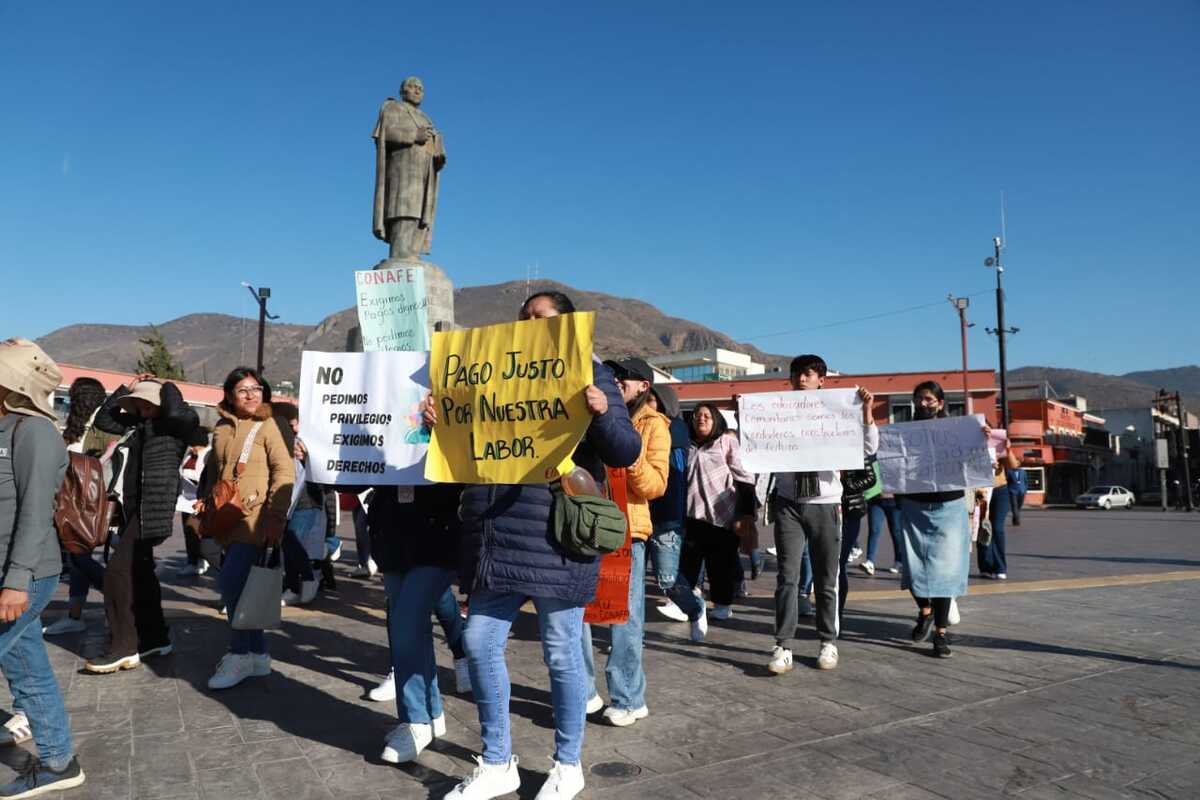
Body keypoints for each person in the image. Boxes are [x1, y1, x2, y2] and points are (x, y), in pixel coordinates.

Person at [436, 291, 641, 800]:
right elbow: (460, 452)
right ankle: (497, 760)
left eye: (542, 317)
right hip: (497, 533)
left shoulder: (595, 374)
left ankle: (568, 764)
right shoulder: (490, 371)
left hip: (558, 534)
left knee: (562, 651)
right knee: (480, 642)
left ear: (569, 326)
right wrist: (436, 422)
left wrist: (600, 412)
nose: (530, 322)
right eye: (525, 316)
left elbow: (625, 449)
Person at [0, 338, 86, 795]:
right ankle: (58, 762)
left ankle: (57, 761)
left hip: (23, 576)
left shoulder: (33, 432)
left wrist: (15, 583)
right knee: (27, 668)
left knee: (25, 666)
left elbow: (34, 512)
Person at [767, 355, 876, 674]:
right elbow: (760, 447)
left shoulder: (838, 410)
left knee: (826, 579)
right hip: (789, 502)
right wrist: (750, 418)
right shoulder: (779, 412)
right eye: (797, 375)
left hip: (825, 502)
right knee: (787, 577)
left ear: (821, 381)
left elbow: (867, 449)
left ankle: (828, 641)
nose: (801, 379)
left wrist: (866, 411)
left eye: (809, 374)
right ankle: (783, 644)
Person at [85, 376, 200, 674]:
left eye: (148, 402)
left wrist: (164, 386)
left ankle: (124, 646)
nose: (142, 407)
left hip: (153, 511)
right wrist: (126, 389)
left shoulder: (176, 426)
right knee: (141, 573)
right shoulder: (136, 426)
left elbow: (178, 411)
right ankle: (155, 638)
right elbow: (103, 420)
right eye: (138, 404)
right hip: (131, 509)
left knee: (117, 572)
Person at [581, 358, 670, 727]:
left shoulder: (654, 426)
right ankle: (582, 691)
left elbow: (655, 486)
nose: (616, 383)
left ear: (643, 387)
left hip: (627, 528)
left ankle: (629, 697)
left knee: (625, 617)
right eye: (613, 377)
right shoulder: (590, 415)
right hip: (585, 523)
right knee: (578, 614)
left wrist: (627, 454)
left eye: (625, 379)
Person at [200, 367, 293, 690]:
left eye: (256, 389)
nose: (252, 395)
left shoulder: (270, 424)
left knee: (230, 584)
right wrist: (206, 500)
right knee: (241, 589)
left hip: (256, 519)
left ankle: (239, 654)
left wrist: (276, 516)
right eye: (243, 390)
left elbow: (285, 472)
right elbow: (215, 471)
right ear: (229, 395)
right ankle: (258, 655)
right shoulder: (222, 427)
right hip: (227, 517)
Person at [900, 381, 985, 659]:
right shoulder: (902, 433)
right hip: (914, 506)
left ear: (940, 402)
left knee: (944, 574)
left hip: (949, 507)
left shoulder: (957, 432)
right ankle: (924, 611)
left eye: (928, 399)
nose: (923, 403)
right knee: (914, 569)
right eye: (918, 399)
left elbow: (973, 460)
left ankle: (940, 633)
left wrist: (982, 440)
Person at [42, 378, 112, 636]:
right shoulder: (75, 425)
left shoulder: (103, 426)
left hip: (91, 504)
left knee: (79, 558)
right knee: (75, 559)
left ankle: (118, 602)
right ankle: (75, 615)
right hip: (69, 502)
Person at [681, 403, 756, 625]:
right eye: (696, 416)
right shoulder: (689, 446)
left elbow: (744, 477)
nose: (700, 419)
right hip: (693, 515)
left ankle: (722, 606)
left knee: (720, 566)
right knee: (689, 564)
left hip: (723, 517)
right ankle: (691, 603)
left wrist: (746, 514)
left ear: (716, 420)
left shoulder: (725, 441)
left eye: (706, 416)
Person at [646, 386, 707, 637]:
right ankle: (630, 639)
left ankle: (695, 609)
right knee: (629, 584)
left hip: (666, 519)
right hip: (638, 516)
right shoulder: (638, 427)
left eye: (650, 400)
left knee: (667, 580)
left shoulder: (675, 430)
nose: (644, 404)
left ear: (664, 404)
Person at [978, 443, 1021, 581]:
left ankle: (1000, 567)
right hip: (980, 490)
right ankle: (985, 566)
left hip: (999, 490)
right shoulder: (971, 444)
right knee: (982, 527)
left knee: (997, 528)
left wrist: (1007, 449)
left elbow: (1014, 465)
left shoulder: (998, 444)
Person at [177, 429, 212, 577]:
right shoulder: (189, 455)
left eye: (195, 445)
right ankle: (192, 561)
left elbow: (206, 476)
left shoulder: (209, 455)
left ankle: (203, 559)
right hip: (185, 500)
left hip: (200, 499)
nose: (192, 448)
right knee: (188, 531)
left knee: (196, 529)